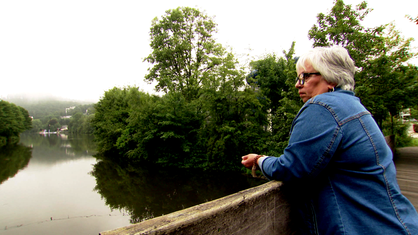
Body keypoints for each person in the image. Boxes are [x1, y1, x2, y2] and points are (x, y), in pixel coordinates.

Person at [241, 46, 418, 235]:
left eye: (305, 77)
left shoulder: (322, 107)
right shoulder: (354, 107)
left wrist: (260, 160)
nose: (297, 85)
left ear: (331, 78)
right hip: (397, 224)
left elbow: (291, 168)